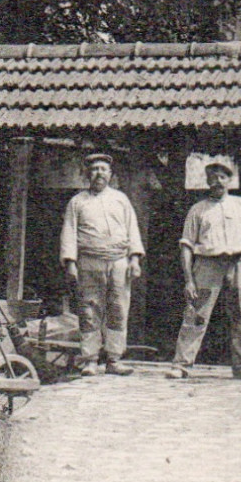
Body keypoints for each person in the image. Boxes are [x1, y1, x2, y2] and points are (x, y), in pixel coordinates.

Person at [168, 160, 241, 381]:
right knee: (196, 315)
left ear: (230, 180)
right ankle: (181, 365)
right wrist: (189, 279)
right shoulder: (198, 210)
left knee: (240, 314)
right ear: (207, 181)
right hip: (206, 265)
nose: (217, 181)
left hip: (236, 265)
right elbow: (186, 245)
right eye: (213, 177)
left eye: (222, 177)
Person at [59, 152, 144, 376]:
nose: (99, 173)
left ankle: (114, 359)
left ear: (110, 174)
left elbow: (132, 229)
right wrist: (70, 263)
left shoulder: (121, 199)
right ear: (87, 174)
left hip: (118, 261)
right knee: (89, 309)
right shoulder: (77, 202)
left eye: (103, 169)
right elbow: (68, 233)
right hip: (89, 261)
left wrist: (134, 259)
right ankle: (90, 359)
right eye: (94, 169)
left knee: (118, 308)